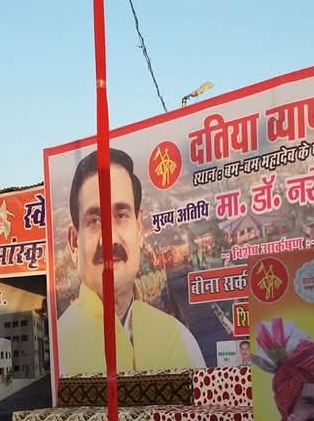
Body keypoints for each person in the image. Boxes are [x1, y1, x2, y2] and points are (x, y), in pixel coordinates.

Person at [56, 148, 205, 374]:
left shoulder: (179, 340)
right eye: (94, 221)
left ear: (139, 229)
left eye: (121, 215)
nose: (110, 239)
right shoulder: (59, 354)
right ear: (74, 242)